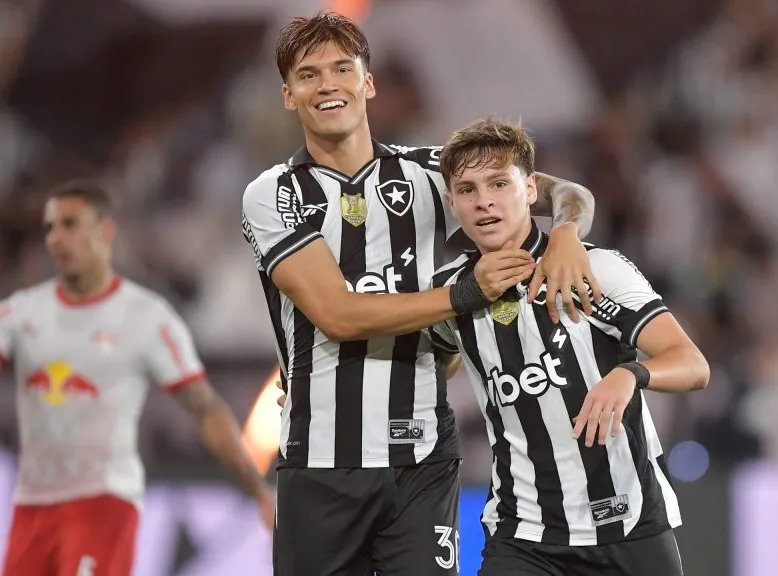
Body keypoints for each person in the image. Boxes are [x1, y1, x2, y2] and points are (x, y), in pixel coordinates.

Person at [240, 11, 599, 576]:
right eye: (309, 75)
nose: (328, 84)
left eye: (342, 68)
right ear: (289, 95)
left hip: (423, 461)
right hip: (319, 462)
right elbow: (337, 314)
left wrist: (569, 235)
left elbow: (565, 193)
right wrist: (464, 295)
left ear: (368, 82)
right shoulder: (273, 194)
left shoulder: (434, 174)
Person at [0, 182, 273, 576]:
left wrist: (255, 485)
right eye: (52, 227)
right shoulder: (20, 315)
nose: (58, 239)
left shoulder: (146, 319)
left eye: (71, 225)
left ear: (105, 234)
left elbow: (204, 407)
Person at [429, 117, 709, 575]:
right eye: (467, 190)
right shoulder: (450, 292)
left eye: (499, 183)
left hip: (627, 523)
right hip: (523, 535)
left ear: (531, 190)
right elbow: (428, 360)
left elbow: (692, 365)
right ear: (452, 204)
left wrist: (630, 374)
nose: (484, 202)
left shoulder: (597, 268)